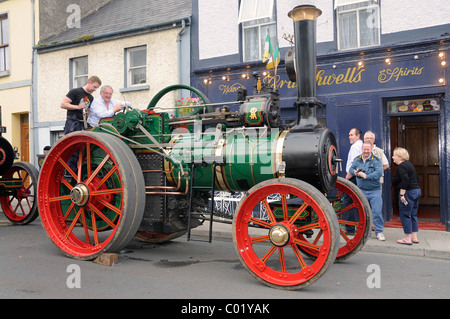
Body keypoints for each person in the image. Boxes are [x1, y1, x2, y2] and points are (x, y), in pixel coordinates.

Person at [349, 141, 385, 241]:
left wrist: (366, 176)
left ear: (371, 149)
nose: (366, 151)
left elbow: (379, 173)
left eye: (368, 149)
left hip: (375, 191)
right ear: (361, 149)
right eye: (364, 149)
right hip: (361, 190)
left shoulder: (376, 160)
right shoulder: (357, 159)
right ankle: (366, 232)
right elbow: (351, 169)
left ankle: (379, 232)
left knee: (377, 212)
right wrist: (355, 172)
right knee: (364, 213)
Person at [392, 147, 421, 245]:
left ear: (400, 156)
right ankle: (414, 237)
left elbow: (405, 179)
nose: (393, 157)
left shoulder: (401, 166)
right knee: (413, 215)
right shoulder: (410, 164)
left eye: (394, 155)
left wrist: (402, 194)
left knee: (405, 214)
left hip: (408, 192)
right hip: (416, 191)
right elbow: (416, 178)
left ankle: (407, 238)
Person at [343, 128, 363, 234]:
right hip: (359, 177)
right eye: (349, 135)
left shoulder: (355, 146)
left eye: (351, 135)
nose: (349, 137)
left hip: (353, 177)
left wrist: (348, 175)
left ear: (358, 135)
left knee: (348, 202)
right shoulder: (361, 145)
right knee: (357, 201)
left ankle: (350, 228)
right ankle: (358, 225)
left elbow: (356, 163)